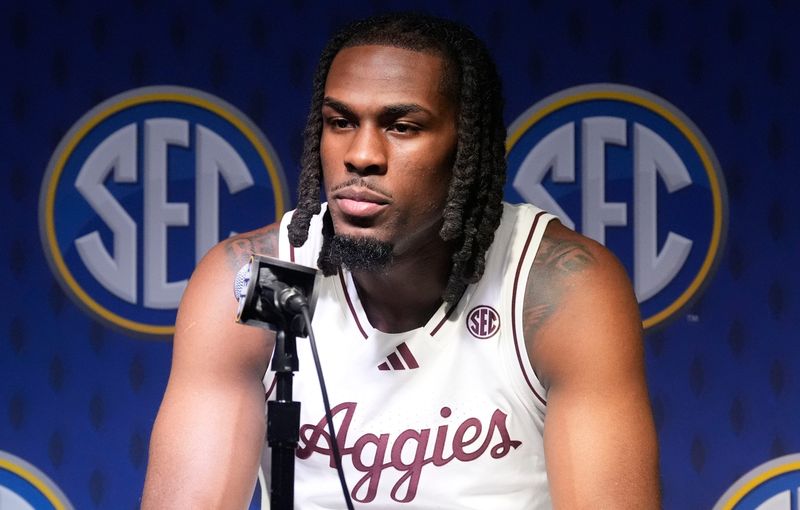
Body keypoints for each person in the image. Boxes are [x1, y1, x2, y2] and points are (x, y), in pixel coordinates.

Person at [142, 13, 659, 509]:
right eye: (340, 122)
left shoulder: (556, 286)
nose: (361, 154)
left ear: (467, 147)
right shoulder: (262, 278)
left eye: (403, 127)